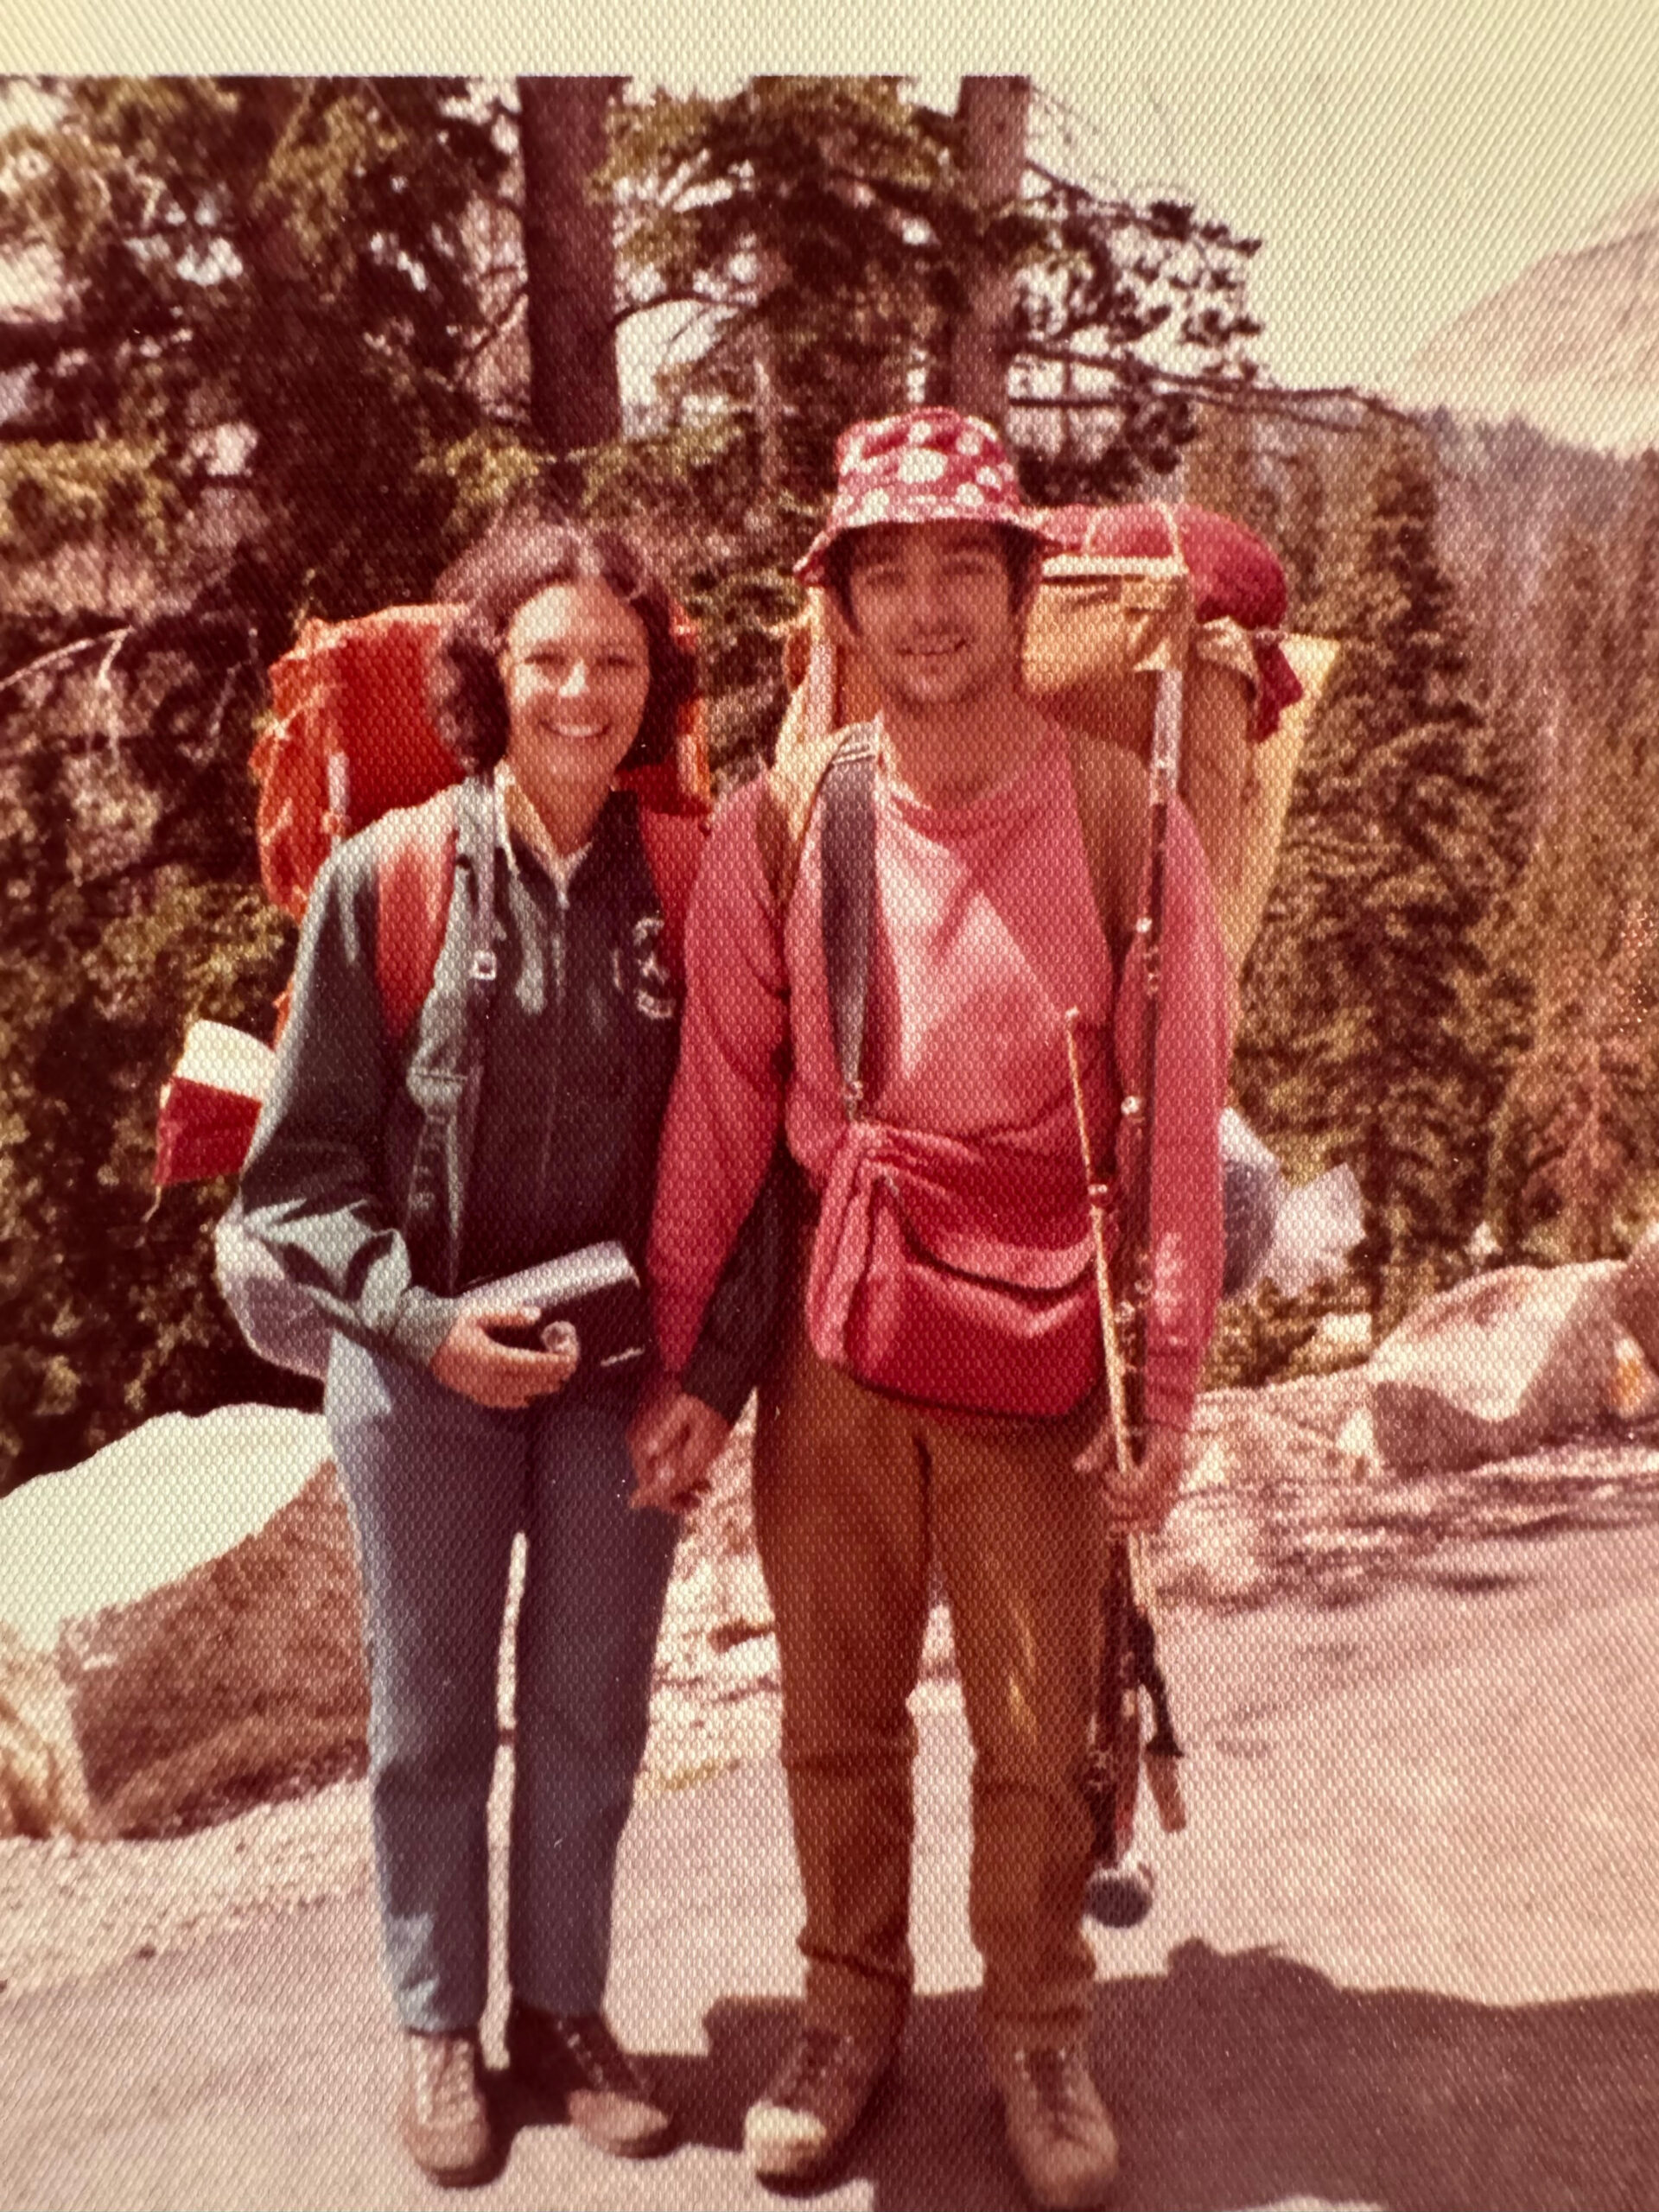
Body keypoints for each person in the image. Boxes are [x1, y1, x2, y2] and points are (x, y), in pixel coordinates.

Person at [631, 408, 1231, 2210]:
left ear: (1020, 588)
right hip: (838, 1321)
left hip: (1051, 1336)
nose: (925, 605)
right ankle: (850, 2007)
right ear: (842, 607)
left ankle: (1040, 2030)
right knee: (836, 1701)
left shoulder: (1133, 826)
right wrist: (683, 1360)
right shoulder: (786, 819)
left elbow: (1182, 1125)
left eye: (958, 565)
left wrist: (1173, 1388)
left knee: (1043, 1723)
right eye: (882, 571)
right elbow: (725, 1107)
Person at [238, 503, 759, 2187]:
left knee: (597, 1704)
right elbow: (296, 1181)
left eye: (616, 660)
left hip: (619, 1380)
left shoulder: (691, 885)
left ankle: (567, 2013)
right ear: (490, 673)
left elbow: (746, 1160)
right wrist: (422, 1323)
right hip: (419, 1372)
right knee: (430, 1713)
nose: (582, 691)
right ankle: (435, 2023)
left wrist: (702, 1370)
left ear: (651, 680)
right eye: (548, 658)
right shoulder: (384, 880)